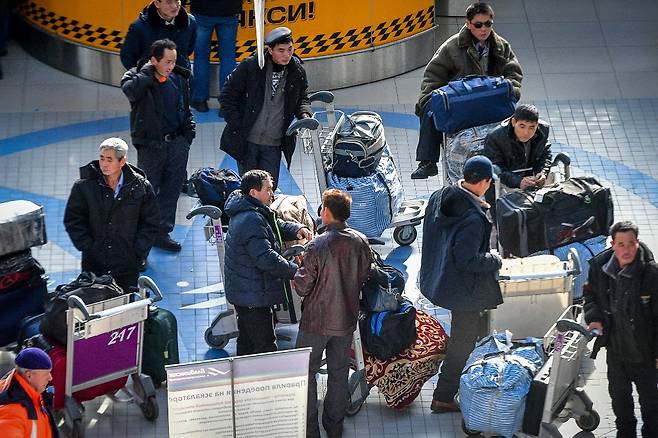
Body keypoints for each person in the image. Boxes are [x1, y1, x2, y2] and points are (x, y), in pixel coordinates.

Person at [419, 155, 503, 412]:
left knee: (463, 336)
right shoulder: (473, 218)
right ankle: (443, 396)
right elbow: (467, 259)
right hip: (463, 290)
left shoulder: (440, 196)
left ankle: (450, 385)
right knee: (463, 341)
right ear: (485, 182)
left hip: (439, 278)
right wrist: (495, 259)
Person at [411, 2, 523, 180]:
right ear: (468, 24)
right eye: (478, 24)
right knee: (429, 109)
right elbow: (433, 75)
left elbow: (514, 72)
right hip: (461, 102)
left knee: (523, 119)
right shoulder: (452, 47)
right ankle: (428, 162)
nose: (483, 29)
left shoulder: (500, 46)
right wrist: (431, 99)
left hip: (489, 100)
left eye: (488, 24)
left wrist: (511, 91)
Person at [293, 189, 371, 438]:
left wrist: (298, 268)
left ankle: (310, 429)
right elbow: (364, 274)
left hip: (315, 323)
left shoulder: (318, 245)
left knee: (307, 374)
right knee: (339, 373)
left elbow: (304, 286)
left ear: (326, 212)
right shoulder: (360, 240)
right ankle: (334, 426)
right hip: (346, 320)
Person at [223, 170, 313, 356]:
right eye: (268, 190)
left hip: (247, 291)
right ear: (253, 193)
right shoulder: (250, 219)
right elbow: (266, 258)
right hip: (252, 295)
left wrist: (296, 229)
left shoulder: (250, 210)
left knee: (248, 341)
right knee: (265, 345)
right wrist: (296, 271)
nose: (272, 194)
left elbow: (273, 224)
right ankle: (264, 382)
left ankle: (242, 379)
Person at [584, 221, 658, 438]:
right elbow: (591, 296)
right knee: (620, 403)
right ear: (612, 244)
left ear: (638, 242)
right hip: (616, 352)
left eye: (631, 243)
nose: (626, 249)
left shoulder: (651, 275)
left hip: (645, 354)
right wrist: (594, 319)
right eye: (621, 244)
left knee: (652, 408)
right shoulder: (600, 267)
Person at [121, 39, 195, 252]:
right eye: (167, 62)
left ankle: (162, 232)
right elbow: (130, 92)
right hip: (151, 146)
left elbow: (184, 106)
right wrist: (146, 73)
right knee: (147, 193)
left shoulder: (179, 78)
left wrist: (188, 134)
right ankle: (142, 243)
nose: (171, 66)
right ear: (154, 60)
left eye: (174, 61)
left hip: (177, 143)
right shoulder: (138, 78)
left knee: (171, 191)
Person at [219, 26, 311, 191]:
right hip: (248, 142)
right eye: (281, 50)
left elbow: (302, 97)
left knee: (269, 190)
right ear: (270, 50)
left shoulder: (297, 71)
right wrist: (237, 124)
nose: (287, 55)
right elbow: (227, 95)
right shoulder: (251, 67)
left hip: (273, 144)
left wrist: (304, 113)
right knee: (250, 191)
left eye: (290, 49)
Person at [63, 138, 160, 291]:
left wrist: (137, 252)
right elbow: (73, 219)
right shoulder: (84, 186)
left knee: (126, 304)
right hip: (94, 263)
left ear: (122, 161)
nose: (104, 164)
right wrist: (88, 247)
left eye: (110, 159)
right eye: (102, 158)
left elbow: (151, 223)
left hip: (126, 264)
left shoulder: (141, 187)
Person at [189, 0, 243, 113]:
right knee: (228, 57)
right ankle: (226, 102)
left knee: (200, 57)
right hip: (229, 9)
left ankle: (200, 100)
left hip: (202, 10)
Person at [483, 104, 552, 191]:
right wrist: (518, 181)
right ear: (514, 122)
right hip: (501, 184)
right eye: (522, 126)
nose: (526, 132)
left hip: (530, 180)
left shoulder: (543, 130)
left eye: (532, 127)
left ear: (537, 125)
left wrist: (542, 172)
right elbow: (495, 167)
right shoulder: (495, 137)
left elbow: (545, 154)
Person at [120, 0, 196, 71]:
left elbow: (188, 50)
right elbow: (127, 56)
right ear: (157, 3)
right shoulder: (139, 27)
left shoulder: (190, 22)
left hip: (180, 79)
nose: (175, 6)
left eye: (176, 0)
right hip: (151, 80)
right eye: (168, 2)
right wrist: (142, 76)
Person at [0, 347, 57, 438]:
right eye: (45, 374)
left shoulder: (34, 392)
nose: (50, 378)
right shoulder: (12, 415)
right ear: (29, 375)